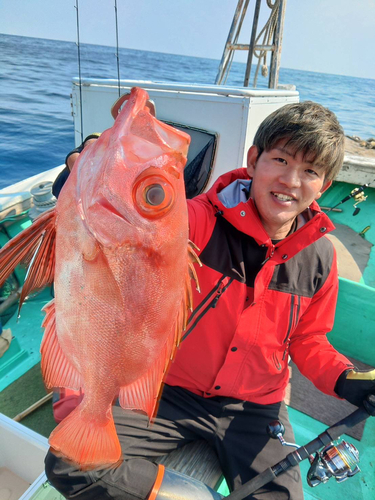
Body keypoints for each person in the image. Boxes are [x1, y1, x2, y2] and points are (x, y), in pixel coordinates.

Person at [45, 101, 375, 500]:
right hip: (171, 390)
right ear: (253, 161)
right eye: (280, 160)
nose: (291, 180)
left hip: (256, 408)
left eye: (310, 171)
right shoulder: (197, 220)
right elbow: (142, 230)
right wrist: (90, 181)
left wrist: (345, 379)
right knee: (72, 464)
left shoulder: (320, 259)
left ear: (323, 185)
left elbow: (309, 341)